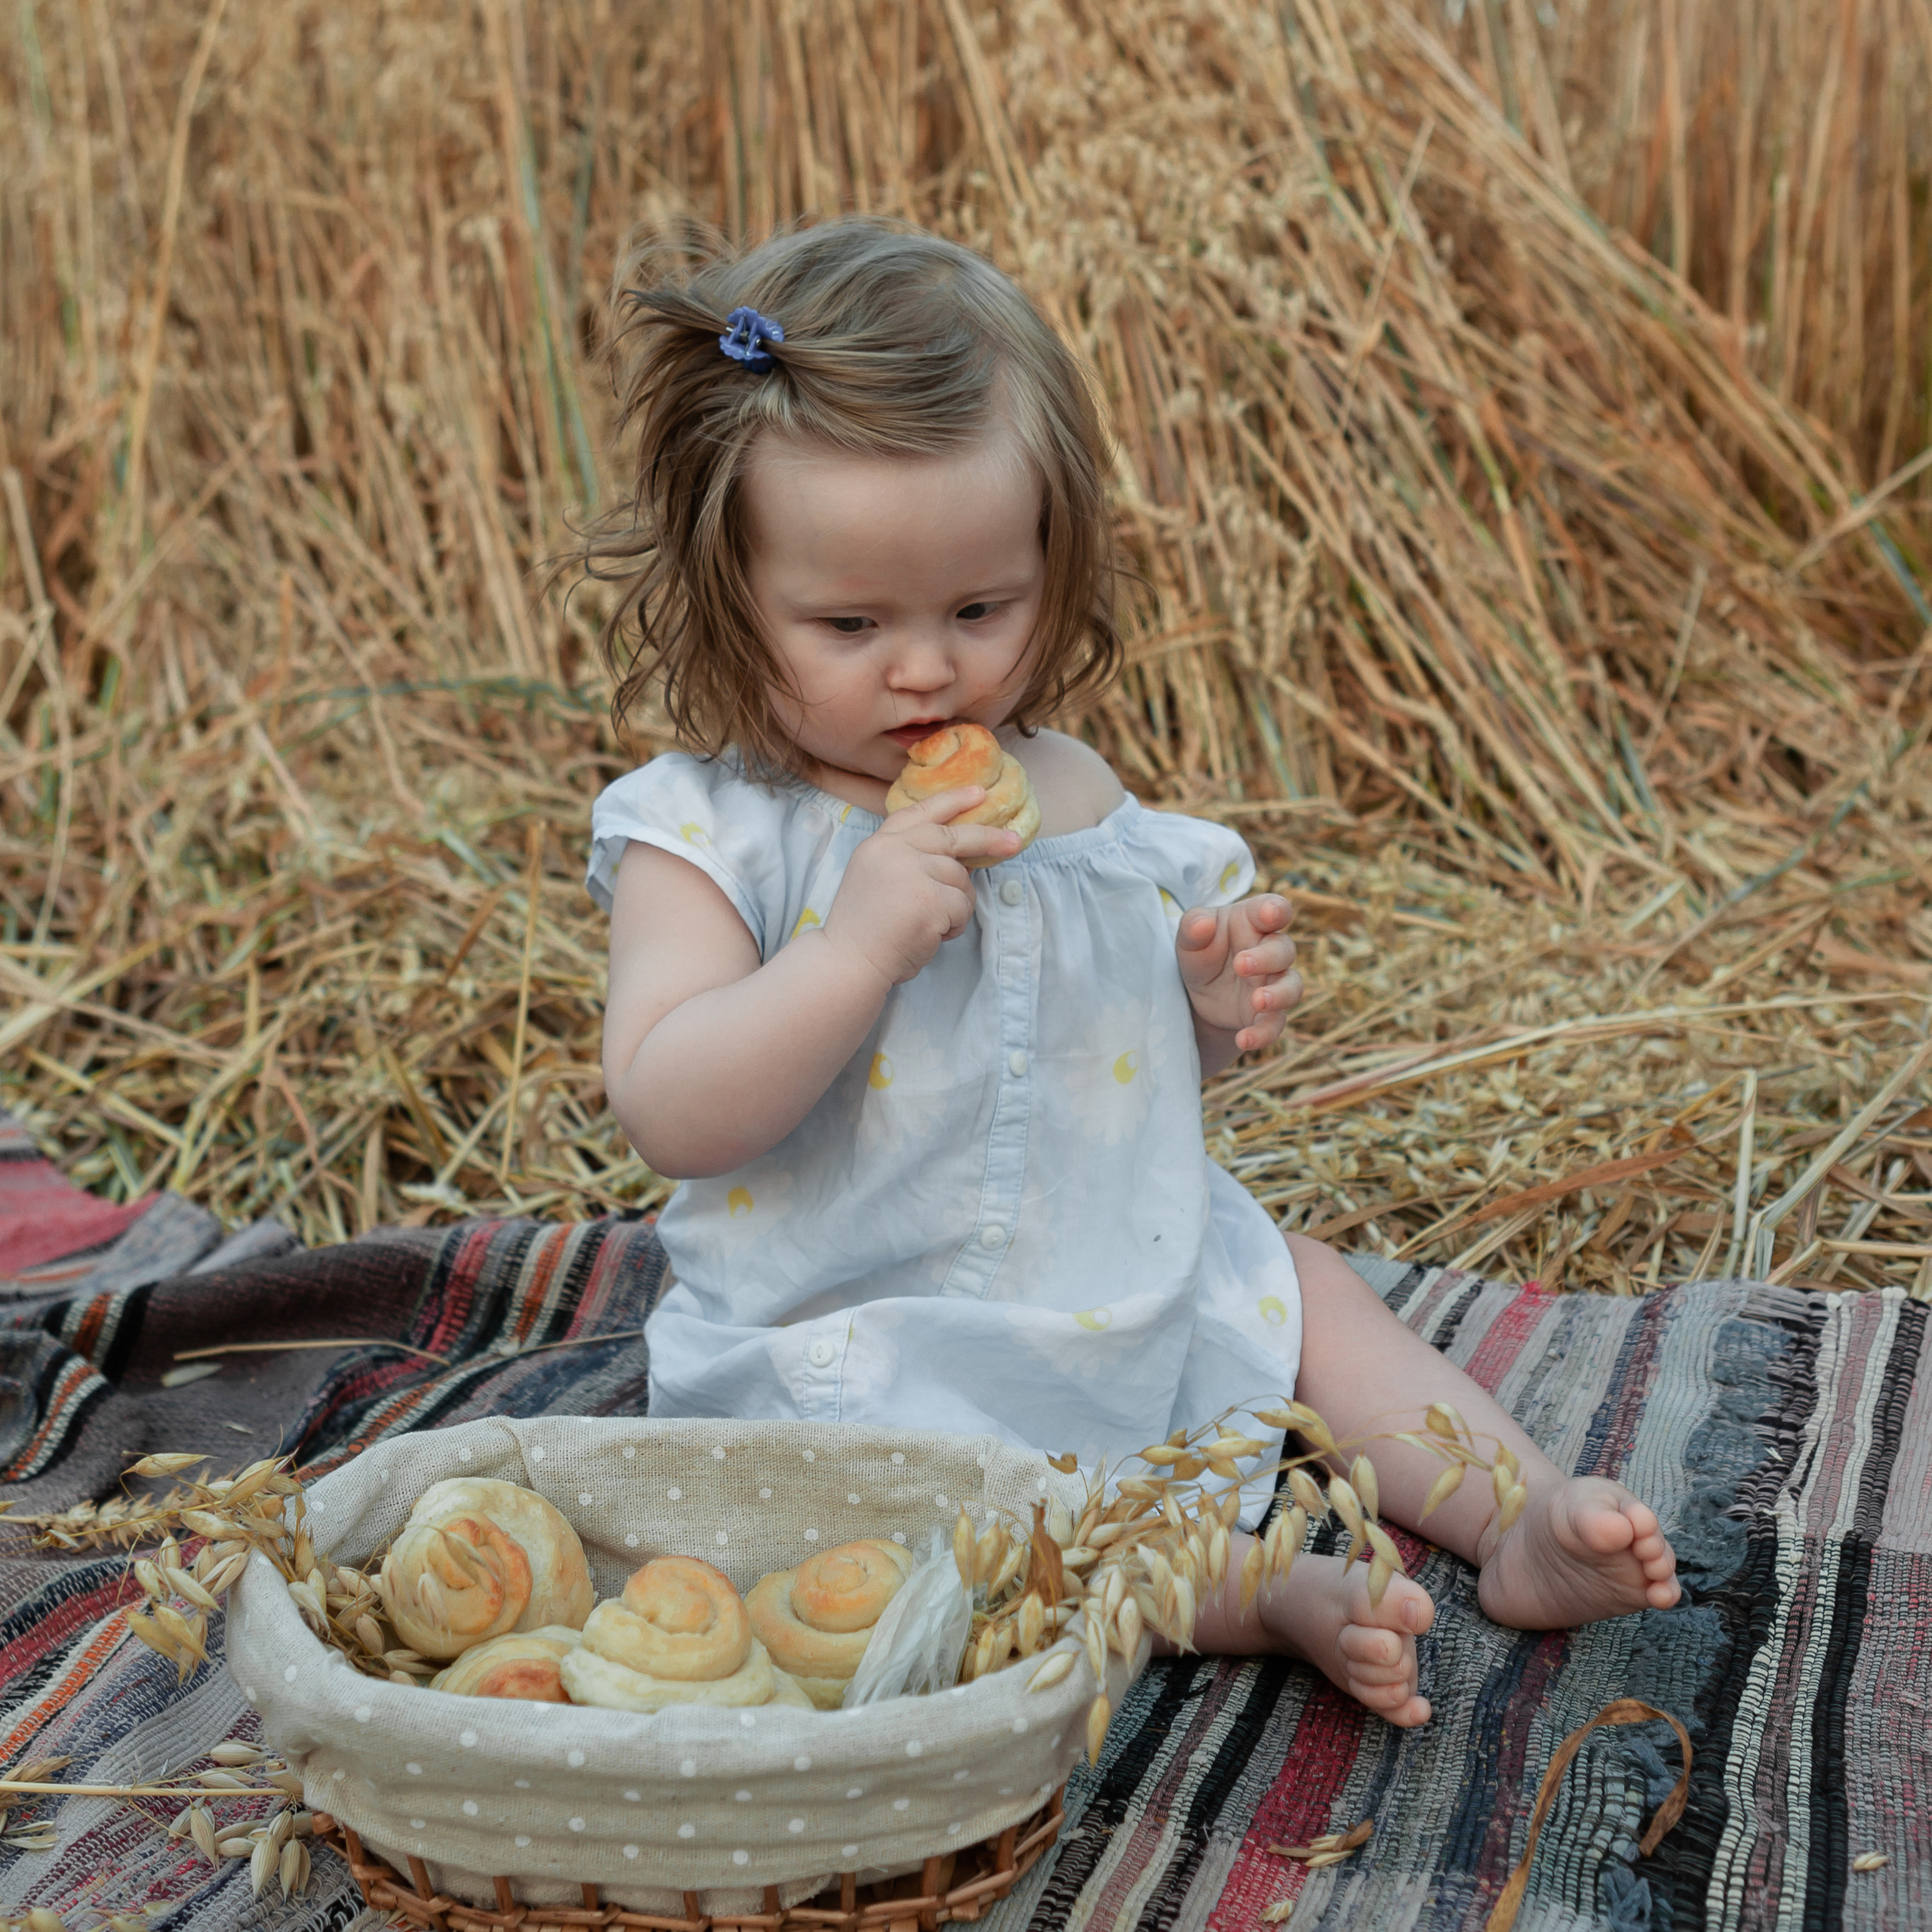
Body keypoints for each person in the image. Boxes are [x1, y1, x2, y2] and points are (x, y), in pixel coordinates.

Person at [581, 218, 1679, 1729]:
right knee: (922, 1524)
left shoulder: (1083, 800)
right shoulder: (711, 836)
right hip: (856, 1327)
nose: (926, 671)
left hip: (1109, 1266)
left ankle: (1518, 1515)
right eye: (849, 623)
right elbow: (670, 1105)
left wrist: (1212, 1010)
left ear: (1055, 564)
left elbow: (1102, 1062)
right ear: (727, 593)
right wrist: (850, 951)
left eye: (980, 608)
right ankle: (1250, 1592)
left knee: (1297, 1286)